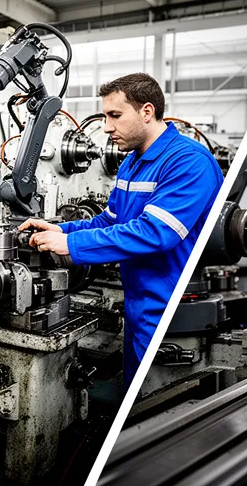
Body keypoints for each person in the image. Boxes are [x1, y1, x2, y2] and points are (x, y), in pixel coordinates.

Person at [19, 73, 223, 388]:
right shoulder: (131, 163)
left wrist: (72, 244)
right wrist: (60, 229)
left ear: (147, 111)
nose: (106, 127)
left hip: (169, 311)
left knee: (159, 403)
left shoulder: (188, 161)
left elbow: (155, 233)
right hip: (138, 306)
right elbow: (110, 221)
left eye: (115, 115)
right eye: (105, 116)